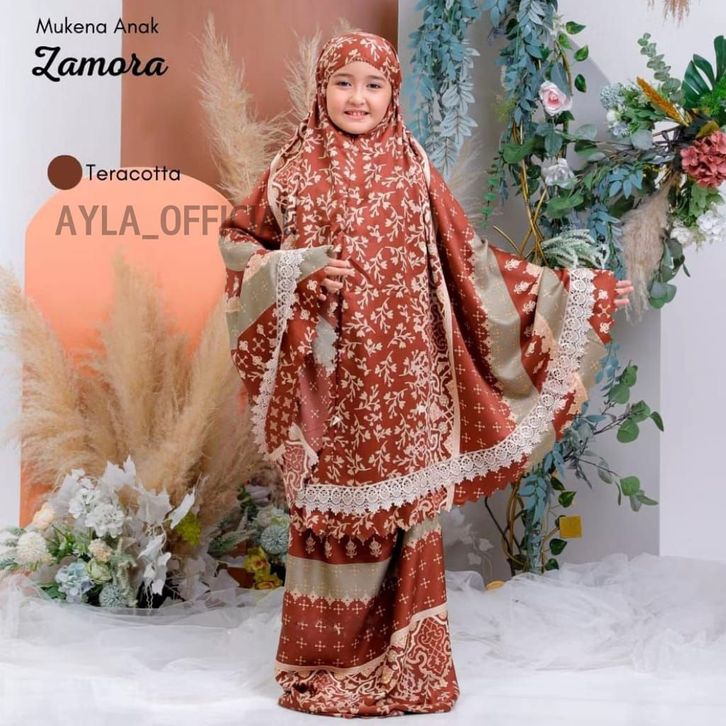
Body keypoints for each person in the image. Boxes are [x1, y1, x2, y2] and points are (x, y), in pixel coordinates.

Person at [218, 30, 633, 717]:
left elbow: (471, 262)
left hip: (409, 381)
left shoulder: (413, 169)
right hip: (328, 380)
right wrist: (295, 270)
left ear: (393, 94)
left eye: (373, 85)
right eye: (343, 82)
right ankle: (328, 665)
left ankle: (410, 666)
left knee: (406, 513)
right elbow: (238, 246)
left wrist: (575, 292)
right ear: (321, 90)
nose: (357, 98)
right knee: (332, 509)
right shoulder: (288, 172)